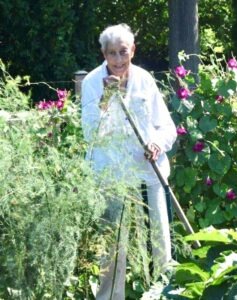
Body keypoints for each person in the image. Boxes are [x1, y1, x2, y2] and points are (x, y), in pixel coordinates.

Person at [81, 23, 177, 300]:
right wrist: (107, 99)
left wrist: (157, 143)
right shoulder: (91, 83)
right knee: (111, 248)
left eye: (123, 52)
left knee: (159, 243)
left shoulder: (145, 80)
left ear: (133, 50)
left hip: (148, 172)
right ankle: (110, 297)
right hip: (111, 176)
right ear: (103, 53)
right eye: (112, 54)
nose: (118, 60)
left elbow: (166, 126)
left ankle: (164, 294)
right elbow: (90, 134)